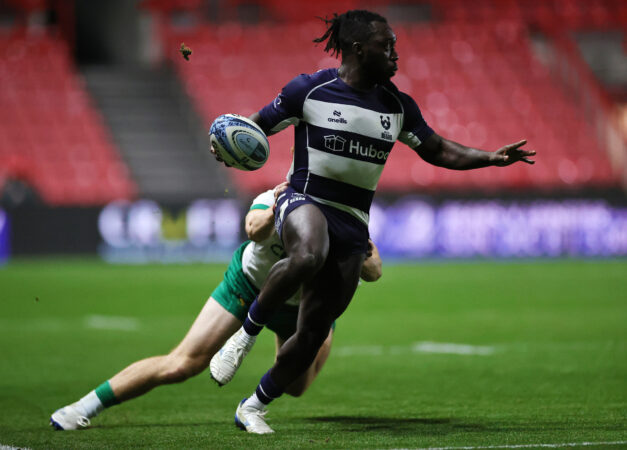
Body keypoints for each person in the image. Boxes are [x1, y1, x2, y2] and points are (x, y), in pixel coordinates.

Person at [209, 9, 536, 434]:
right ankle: (245, 335)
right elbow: (253, 128)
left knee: (312, 334)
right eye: (388, 46)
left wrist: (489, 157)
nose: (396, 54)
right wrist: (226, 144)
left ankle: (253, 406)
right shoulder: (309, 90)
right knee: (308, 254)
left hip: (353, 223)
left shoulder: (396, 106)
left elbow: (437, 150)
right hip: (305, 198)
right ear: (359, 49)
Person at [49, 182, 382, 430]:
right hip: (249, 285)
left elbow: (373, 270)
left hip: (301, 306)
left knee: (296, 387)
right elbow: (253, 229)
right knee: (182, 363)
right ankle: (83, 406)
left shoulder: (346, 216)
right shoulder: (277, 197)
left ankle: (312, 337)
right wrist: (276, 211)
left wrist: (349, 245)